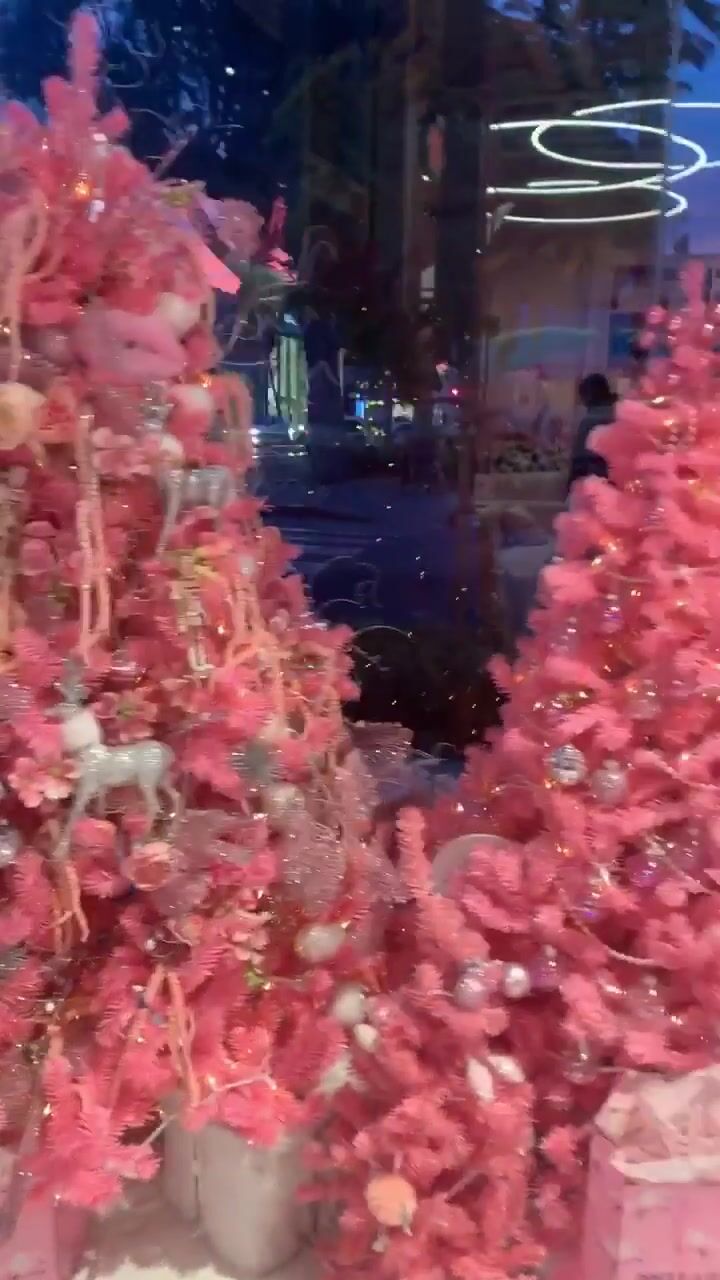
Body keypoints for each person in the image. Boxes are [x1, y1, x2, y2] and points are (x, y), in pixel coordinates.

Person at [568, 372, 617, 491]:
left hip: (596, 483)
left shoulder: (589, 421)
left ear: (588, 396)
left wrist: (570, 488)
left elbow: (579, 463)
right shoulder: (620, 415)